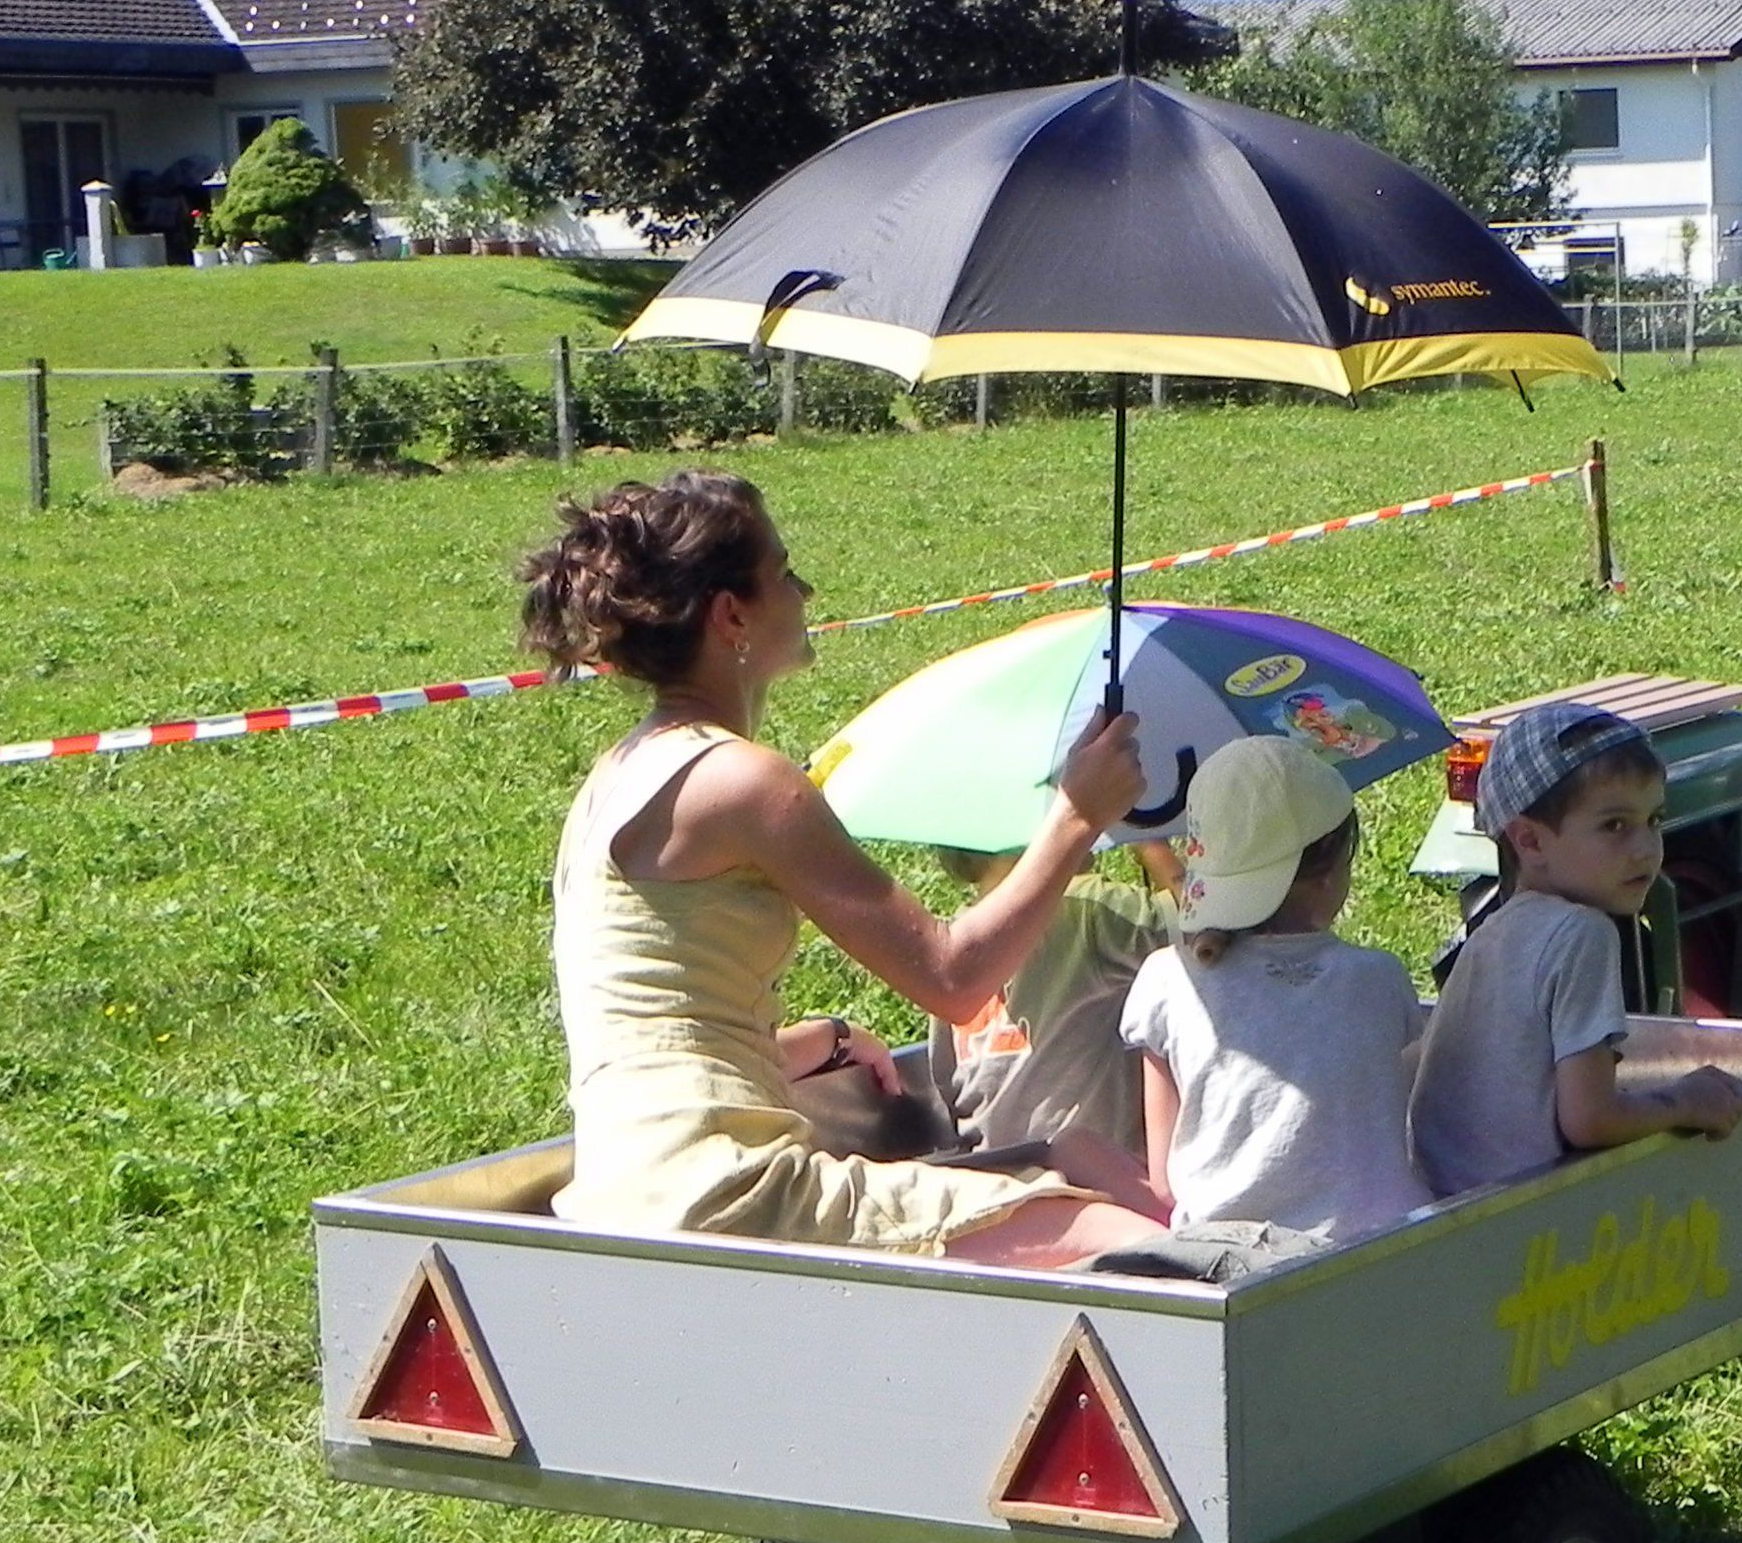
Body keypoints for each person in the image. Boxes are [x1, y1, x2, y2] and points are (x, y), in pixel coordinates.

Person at [521, 471, 1169, 1269]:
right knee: (1138, 1249)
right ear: (731, 616)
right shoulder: (741, 781)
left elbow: (661, 1024)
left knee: (1077, 1159)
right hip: (726, 1194)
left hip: (629, 1189)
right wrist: (1076, 818)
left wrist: (821, 1041)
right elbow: (954, 978)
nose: (806, 592)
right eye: (784, 572)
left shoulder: (619, 774)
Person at [1410, 702, 1742, 1200]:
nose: (1646, 849)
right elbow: (1590, 1119)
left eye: (1654, 820)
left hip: (1443, 1201)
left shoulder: (1492, 931)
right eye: (1615, 826)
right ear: (1530, 841)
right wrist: (1685, 1100)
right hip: (1521, 1215)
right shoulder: (1583, 934)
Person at [1120, 735, 1426, 1244]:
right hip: (1375, 1250)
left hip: (1225, 1256)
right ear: (1330, 874)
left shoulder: (1168, 980)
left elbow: (1164, 1182)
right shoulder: (1379, 978)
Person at [927, 840, 1182, 1157]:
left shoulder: (951, 944)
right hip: (1097, 1176)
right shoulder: (1089, 907)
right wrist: (1151, 843)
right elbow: (1202, 924)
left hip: (996, 1173)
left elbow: (946, 1083)